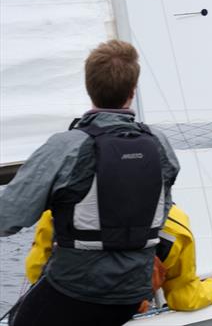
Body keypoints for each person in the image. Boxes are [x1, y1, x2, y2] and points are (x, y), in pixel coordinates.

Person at [0, 40, 180, 326]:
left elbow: (7, 217)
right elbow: (162, 208)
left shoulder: (66, 146)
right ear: (132, 92)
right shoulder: (160, 145)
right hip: (131, 292)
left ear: (88, 87)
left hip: (76, 290)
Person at [25, 205, 212, 313]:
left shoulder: (57, 210)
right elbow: (182, 298)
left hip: (58, 311)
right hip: (122, 313)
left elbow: (36, 272)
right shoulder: (175, 222)